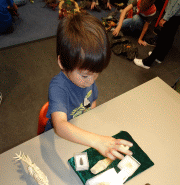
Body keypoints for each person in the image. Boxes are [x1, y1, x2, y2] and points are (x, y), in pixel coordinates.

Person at [45, 13, 133, 160]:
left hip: (82, 132)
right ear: (62, 62)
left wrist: (90, 125)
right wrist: (97, 140)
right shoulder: (58, 87)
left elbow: (92, 101)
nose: (91, 81)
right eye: (85, 75)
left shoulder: (87, 78)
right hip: (59, 137)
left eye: (97, 73)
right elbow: (60, 126)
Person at [134, 0, 180, 69]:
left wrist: (165, 18)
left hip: (172, 16)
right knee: (169, 37)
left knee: (162, 38)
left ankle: (147, 63)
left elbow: (177, 3)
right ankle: (160, 57)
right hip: (177, 16)